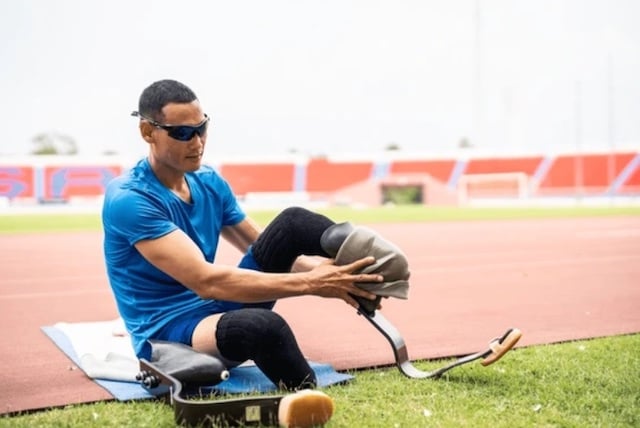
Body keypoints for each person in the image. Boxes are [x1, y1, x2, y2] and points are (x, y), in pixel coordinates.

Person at [102, 79, 384, 391]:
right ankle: (305, 395)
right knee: (263, 328)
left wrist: (340, 276)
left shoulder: (208, 180)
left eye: (202, 128)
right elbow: (205, 281)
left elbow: (257, 242)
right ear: (147, 132)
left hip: (218, 303)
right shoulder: (129, 199)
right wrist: (314, 284)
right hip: (171, 331)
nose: (197, 142)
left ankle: (372, 271)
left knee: (292, 223)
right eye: (182, 133)